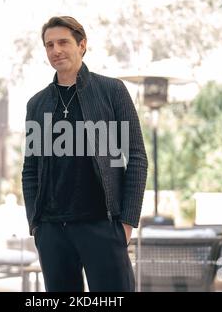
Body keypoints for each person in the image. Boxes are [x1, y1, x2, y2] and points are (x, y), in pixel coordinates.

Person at [22, 16, 148, 292]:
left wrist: (126, 222)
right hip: (52, 230)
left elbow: (136, 157)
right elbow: (30, 169)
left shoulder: (112, 91)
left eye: (63, 42)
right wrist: (36, 224)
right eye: (49, 45)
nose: (55, 50)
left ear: (82, 45)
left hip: (103, 224)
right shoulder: (37, 104)